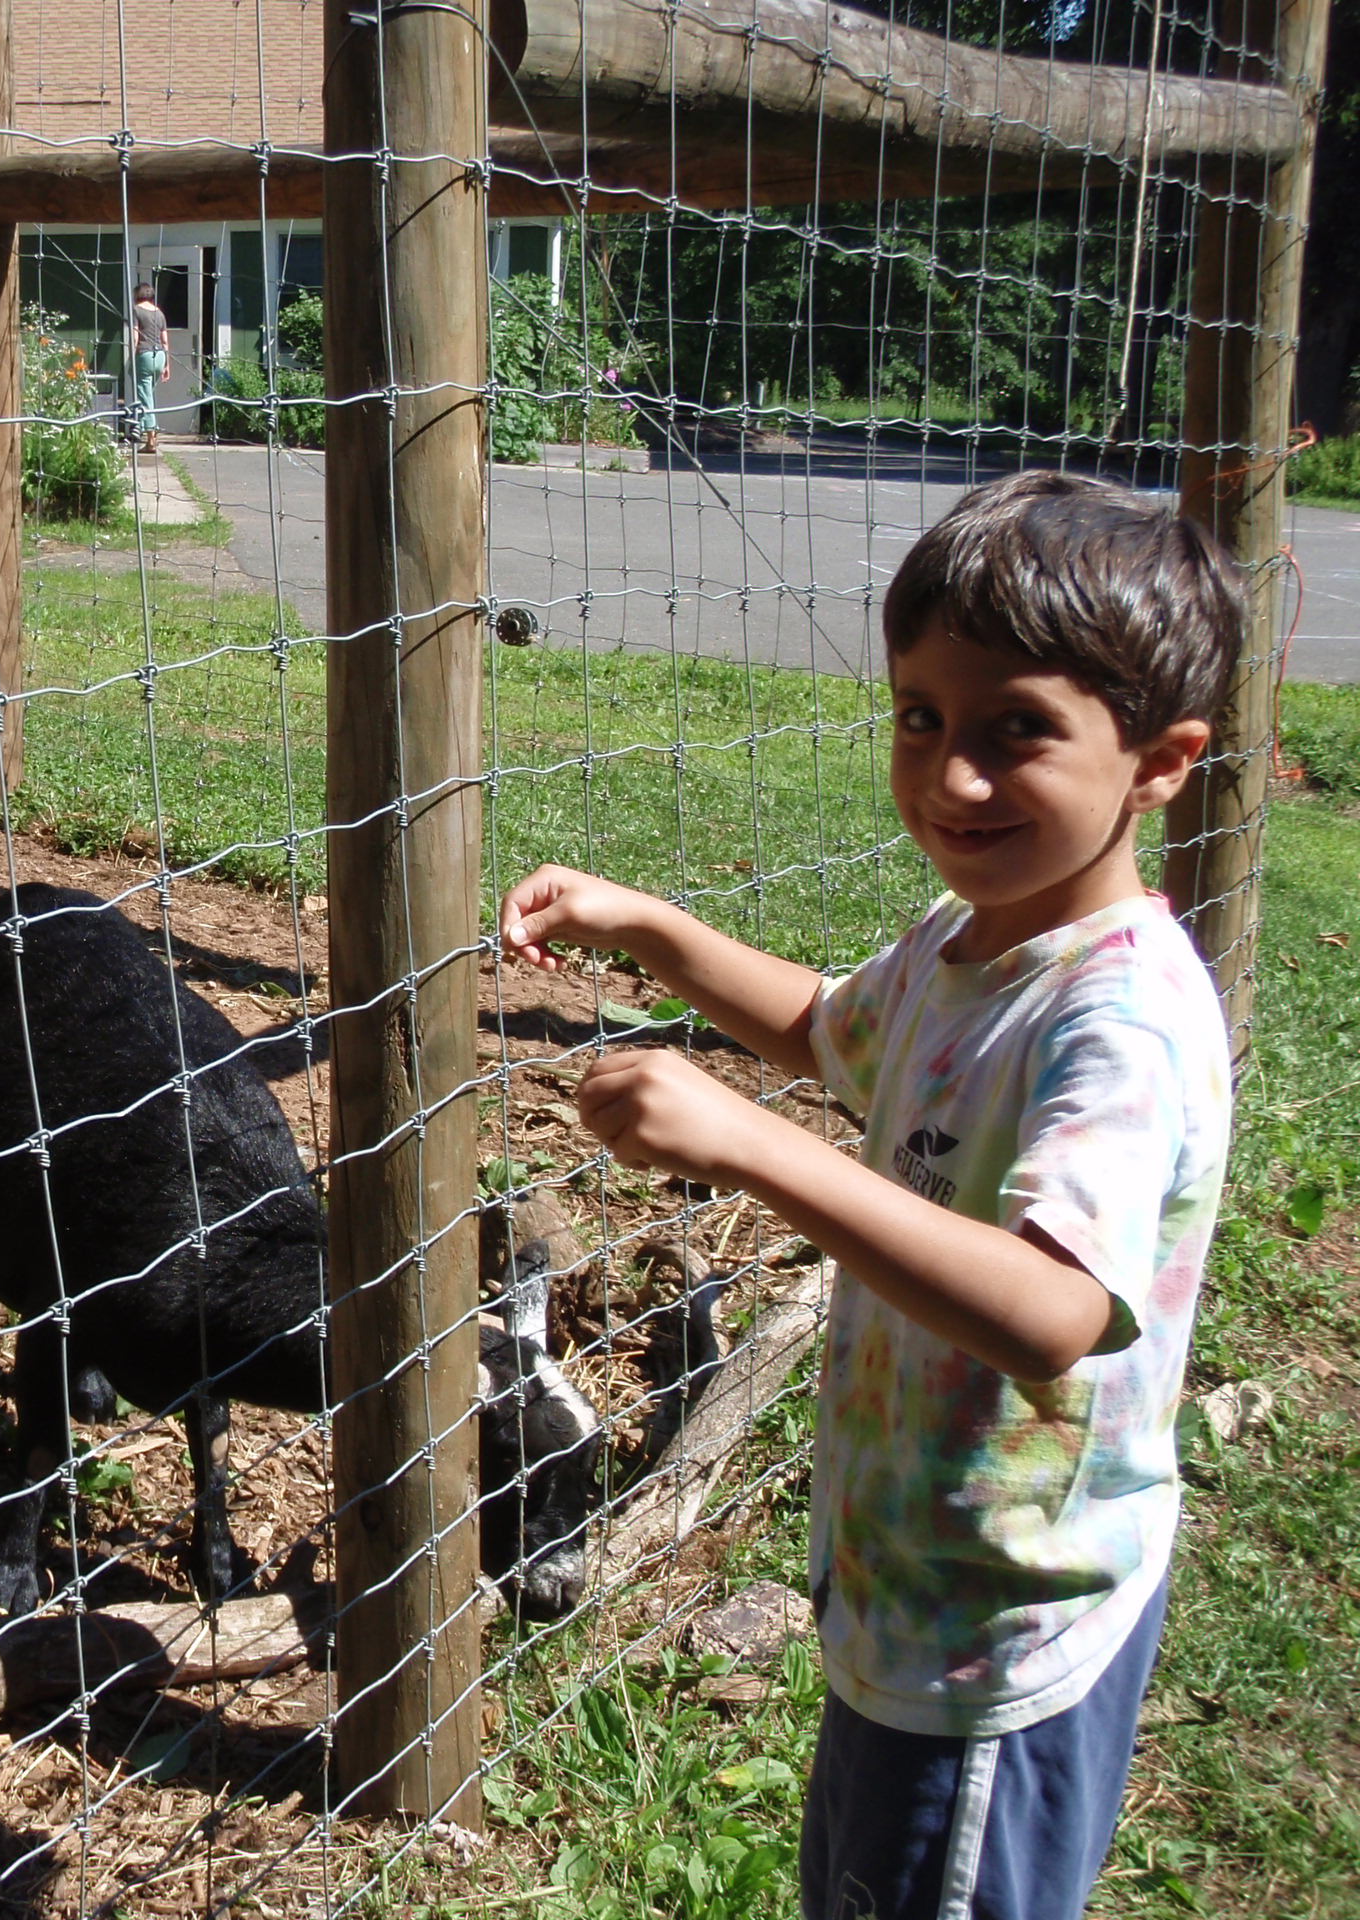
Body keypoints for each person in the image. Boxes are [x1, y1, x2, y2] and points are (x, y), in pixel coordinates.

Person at [500, 469, 1244, 1920]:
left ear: (1160, 762)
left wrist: (756, 1154)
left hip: (997, 1636)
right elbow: (836, 1029)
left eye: (1018, 730)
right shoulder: (977, 943)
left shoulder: (1122, 1021)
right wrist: (650, 927)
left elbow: (1051, 1310)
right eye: (922, 718)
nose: (953, 775)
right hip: (915, 1594)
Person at [131, 281, 169, 454]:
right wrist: (167, 364)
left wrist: (132, 355)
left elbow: (135, 337)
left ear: (137, 295)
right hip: (160, 356)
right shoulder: (159, 313)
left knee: (145, 396)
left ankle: (151, 439)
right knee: (149, 395)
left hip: (145, 355)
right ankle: (151, 432)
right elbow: (165, 341)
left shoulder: (136, 310)